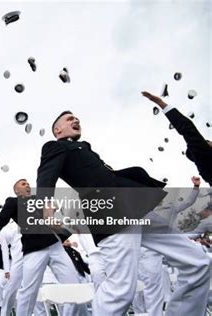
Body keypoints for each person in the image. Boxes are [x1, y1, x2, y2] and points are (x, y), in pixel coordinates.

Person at [36, 110, 209, 315]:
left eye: (77, 118)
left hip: (136, 207)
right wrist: (45, 204)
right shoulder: (54, 146)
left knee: (198, 262)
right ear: (57, 130)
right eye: (69, 119)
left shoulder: (85, 148)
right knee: (121, 289)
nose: (76, 120)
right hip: (108, 210)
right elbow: (45, 174)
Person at [0, 179, 84, 316]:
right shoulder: (13, 202)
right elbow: (1, 220)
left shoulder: (39, 199)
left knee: (74, 285)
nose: (27, 185)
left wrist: (56, 215)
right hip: (33, 249)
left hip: (54, 245)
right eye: (23, 184)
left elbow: (52, 217)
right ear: (16, 190)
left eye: (27, 183)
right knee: (28, 291)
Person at [142, 91, 212, 186]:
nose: (210, 141)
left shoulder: (205, 169)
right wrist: (160, 103)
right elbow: (187, 129)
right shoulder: (205, 157)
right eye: (207, 142)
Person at [0, 219, 23, 316]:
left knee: (34, 291)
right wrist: (7, 270)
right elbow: (4, 251)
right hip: (17, 260)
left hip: (33, 256)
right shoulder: (4, 230)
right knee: (10, 292)